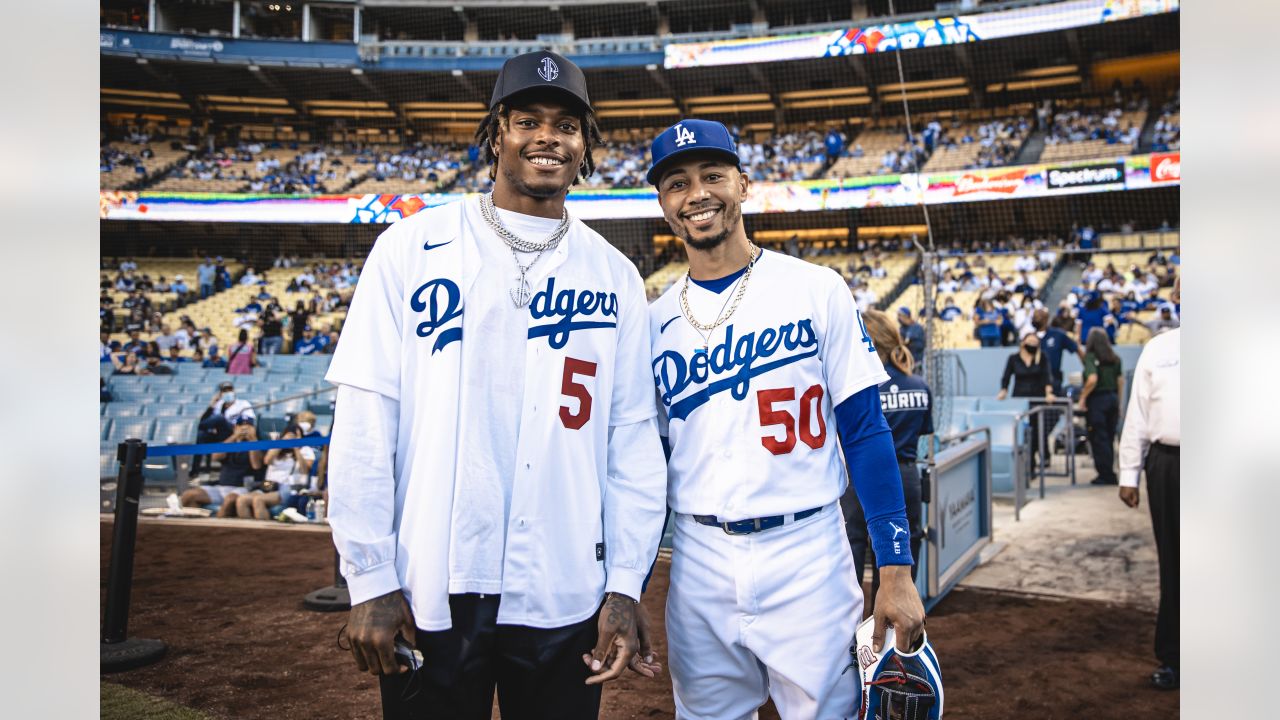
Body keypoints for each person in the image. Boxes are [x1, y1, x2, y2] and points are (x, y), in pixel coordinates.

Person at [324, 51, 667, 719]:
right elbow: (367, 420)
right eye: (527, 120)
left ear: (585, 145)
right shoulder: (410, 246)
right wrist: (368, 576)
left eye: (567, 125)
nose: (548, 138)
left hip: (563, 586)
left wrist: (625, 586)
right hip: (434, 581)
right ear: (495, 134)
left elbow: (632, 445)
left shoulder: (616, 274)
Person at [645, 119, 924, 719]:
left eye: (713, 175)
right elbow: (642, 465)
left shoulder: (814, 288)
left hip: (808, 550)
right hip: (697, 556)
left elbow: (867, 433)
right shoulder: (653, 321)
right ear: (663, 203)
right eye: (677, 182)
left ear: (743, 184)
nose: (697, 194)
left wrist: (894, 569)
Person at [841, 310, 932, 600]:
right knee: (902, 548)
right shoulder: (920, 385)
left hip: (861, 475)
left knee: (854, 544)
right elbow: (924, 431)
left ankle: (853, 626)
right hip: (906, 475)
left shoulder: (860, 388)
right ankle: (893, 630)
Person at [1117, 327, 1179, 690]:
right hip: (1168, 462)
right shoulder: (1159, 347)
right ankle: (1175, 658)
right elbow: (1138, 413)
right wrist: (1129, 472)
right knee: (1173, 563)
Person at [996, 333, 1055, 476]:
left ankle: (1032, 466)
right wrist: (1003, 391)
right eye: (1030, 342)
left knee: (1035, 434)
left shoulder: (1042, 358)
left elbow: (1047, 377)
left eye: (1035, 343)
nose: (1032, 346)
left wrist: (1049, 393)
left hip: (1037, 400)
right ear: (1023, 343)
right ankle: (1023, 466)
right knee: (1022, 434)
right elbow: (1006, 377)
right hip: (1019, 401)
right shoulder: (1013, 359)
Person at [180, 417, 262, 516]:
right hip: (221, 487)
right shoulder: (229, 443)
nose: (244, 429)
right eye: (241, 426)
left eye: (248, 426)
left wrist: (252, 440)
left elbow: (256, 465)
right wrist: (234, 436)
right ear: (235, 427)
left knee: (229, 500)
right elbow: (216, 456)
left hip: (241, 488)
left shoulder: (258, 444)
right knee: (188, 495)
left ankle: (216, 529)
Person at [235, 424, 316, 520]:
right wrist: (282, 443)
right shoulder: (277, 448)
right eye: (288, 435)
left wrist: (296, 446)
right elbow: (267, 460)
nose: (290, 438)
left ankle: (263, 532)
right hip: (268, 486)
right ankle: (250, 531)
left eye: (293, 435)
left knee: (258, 500)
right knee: (241, 500)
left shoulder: (305, 450)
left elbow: (305, 470)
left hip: (287, 488)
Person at [1077, 328, 1125, 485]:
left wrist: (1083, 397)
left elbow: (1092, 379)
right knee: (1110, 439)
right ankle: (1110, 471)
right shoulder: (1115, 358)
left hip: (1098, 401)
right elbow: (1120, 382)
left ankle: (1105, 474)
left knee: (1099, 438)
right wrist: (1118, 402)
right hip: (1112, 399)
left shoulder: (1091, 357)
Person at [192, 381, 256, 478]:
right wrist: (211, 405)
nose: (227, 393)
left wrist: (238, 428)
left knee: (220, 419)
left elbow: (249, 421)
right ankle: (196, 471)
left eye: (229, 390)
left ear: (234, 391)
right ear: (220, 393)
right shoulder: (219, 405)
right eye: (224, 391)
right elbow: (204, 420)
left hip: (234, 432)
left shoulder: (243, 403)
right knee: (201, 435)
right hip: (220, 434)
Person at [897, 306, 925, 371]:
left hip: (916, 362)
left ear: (906, 316)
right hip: (905, 363)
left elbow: (906, 342)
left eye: (900, 315)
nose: (898, 318)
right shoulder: (902, 328)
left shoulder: (916, 327)